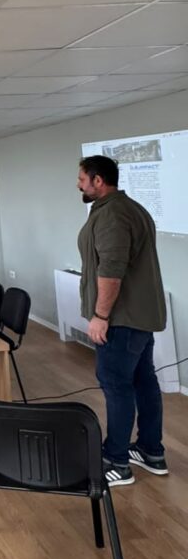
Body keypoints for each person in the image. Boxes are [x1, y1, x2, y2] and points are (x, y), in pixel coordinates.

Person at [77, 155, 168, 487]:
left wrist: (101, 316)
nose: (79, 185)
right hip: (138, 318)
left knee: (116, 386)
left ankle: (116, 461)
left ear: (98, 181)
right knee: (144, 382)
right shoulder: (128, 208)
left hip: (121, 320)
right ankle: (150, 451)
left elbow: (111, 271)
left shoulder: (113, 214)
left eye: (82, 179)